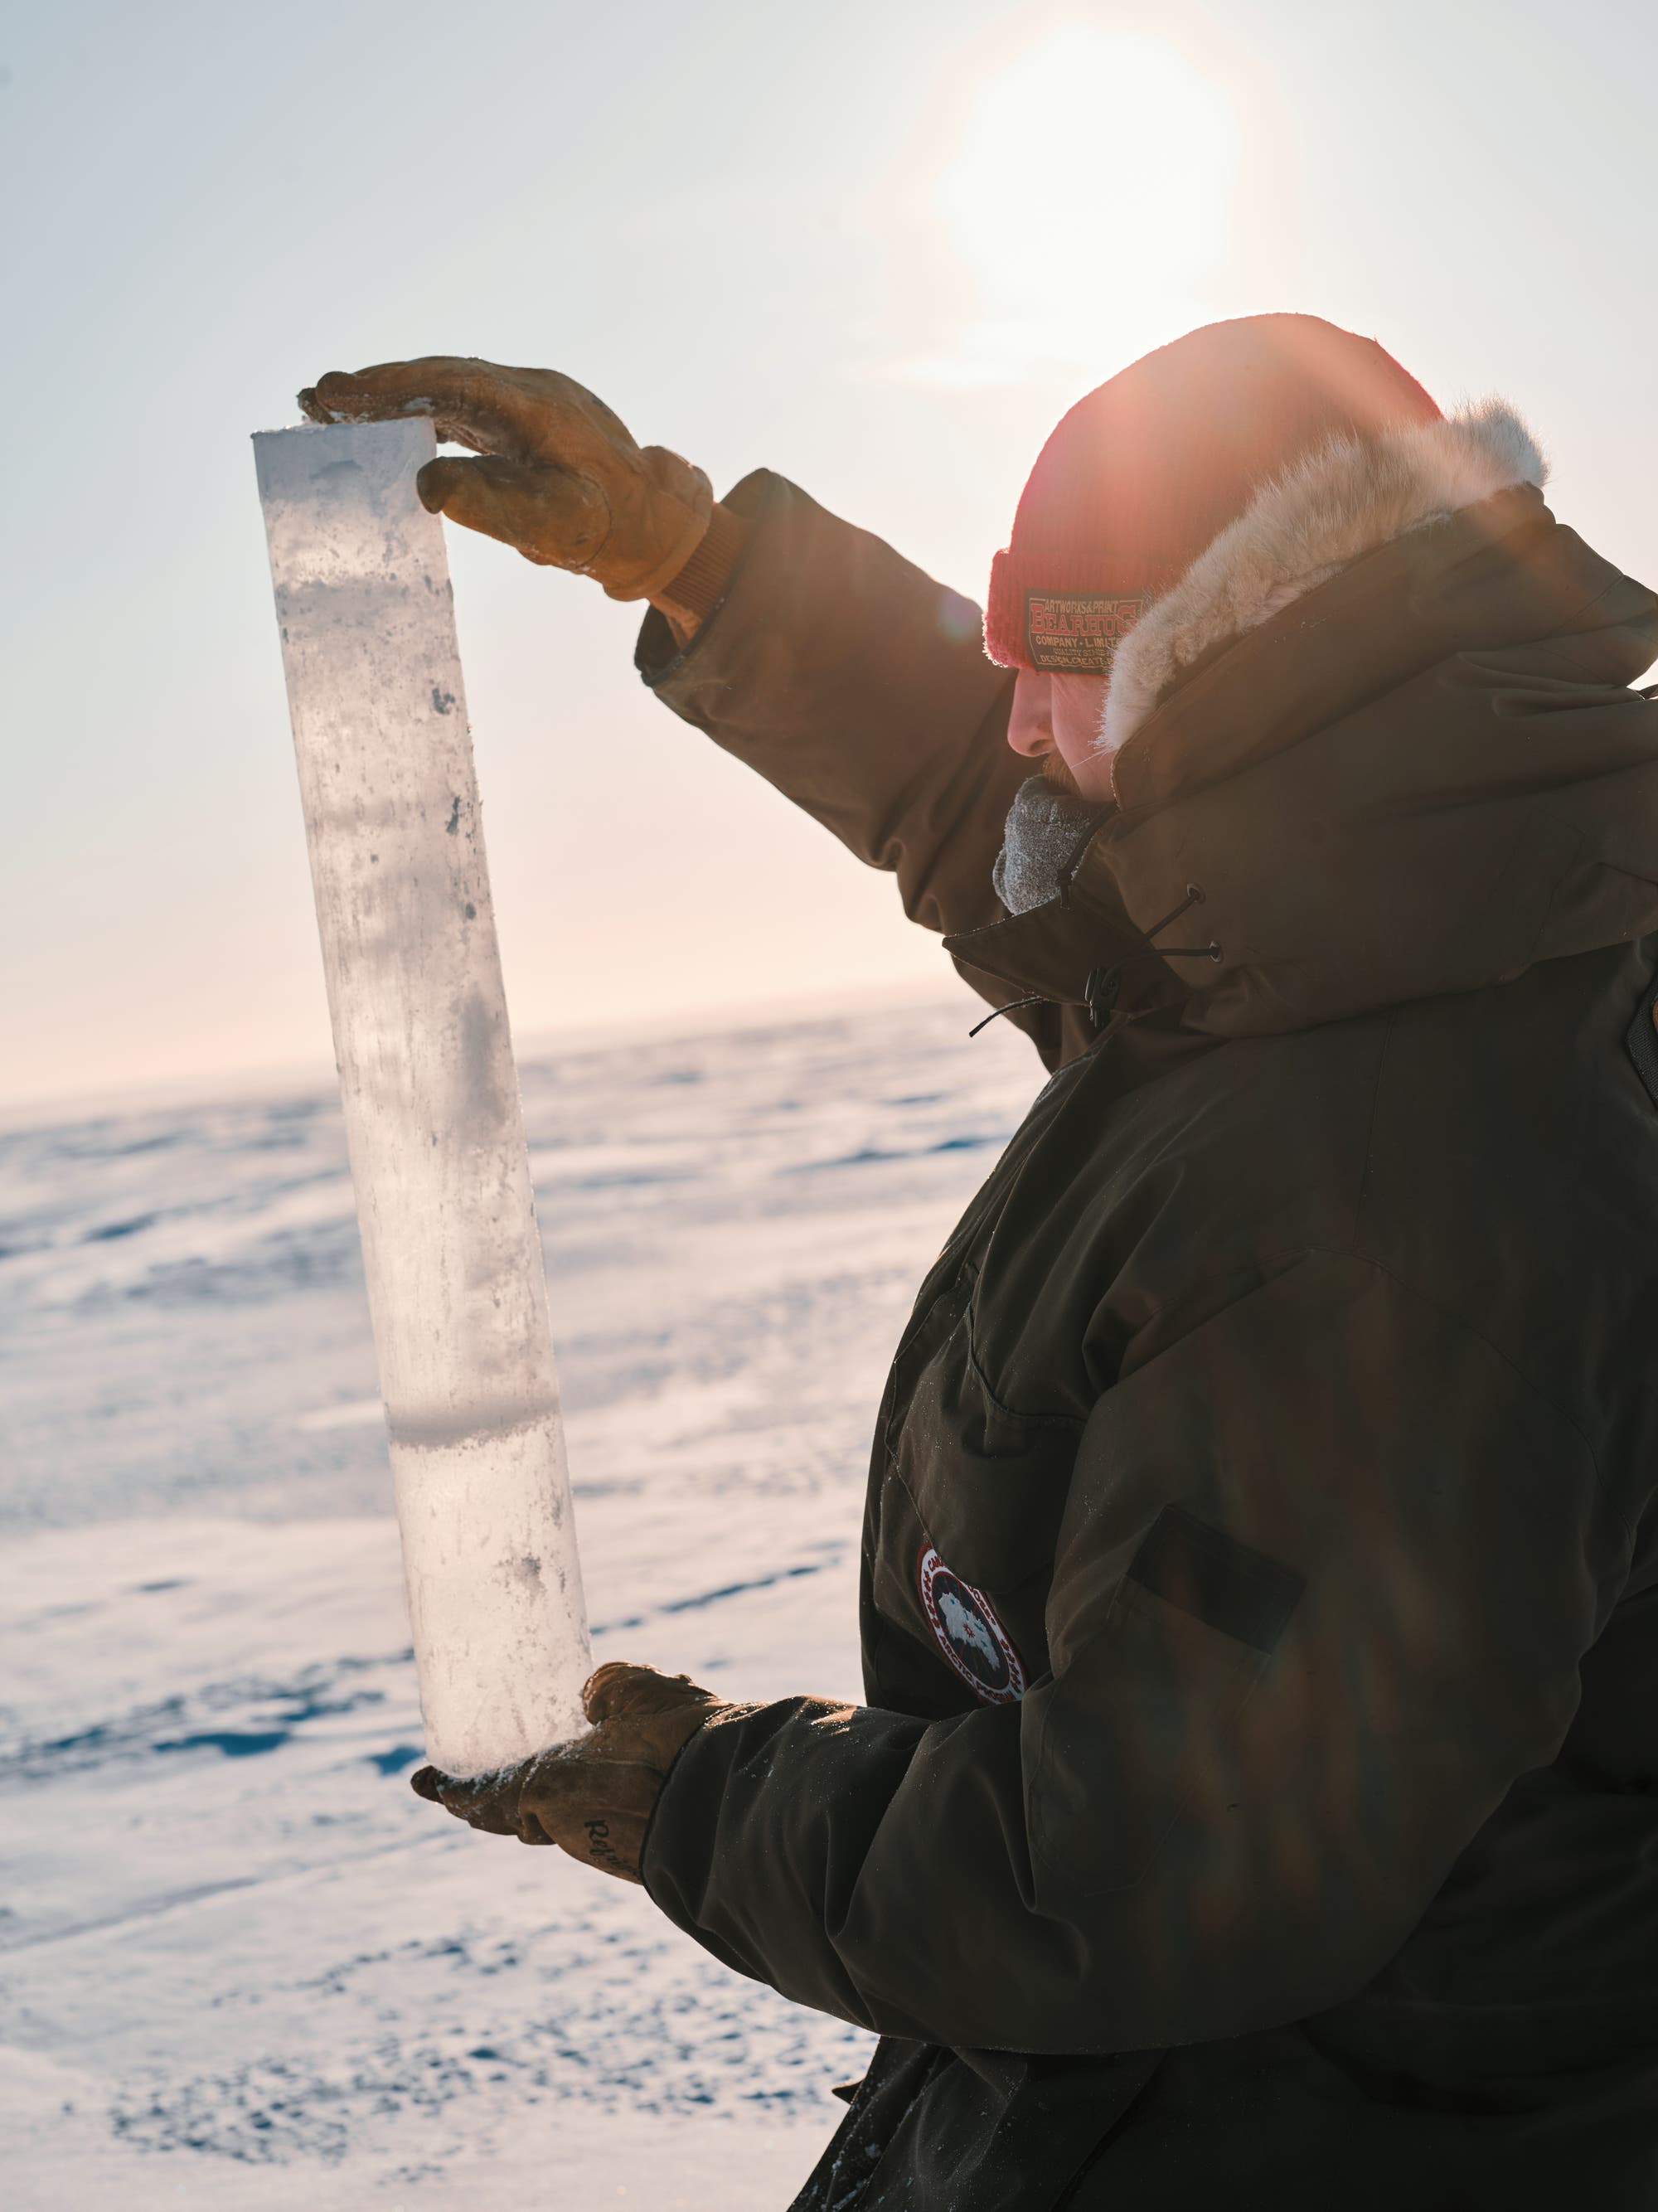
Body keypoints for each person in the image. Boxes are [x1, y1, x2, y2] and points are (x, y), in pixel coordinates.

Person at [301, 314, 1658, 2209]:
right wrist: (698, 557)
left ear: (1242, 648)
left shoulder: (1396, 1193)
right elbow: (1009, 796)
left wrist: (701, 1798)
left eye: (1059, 652)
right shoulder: (1391, 892)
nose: (1015, 711)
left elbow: (1144, 1863)